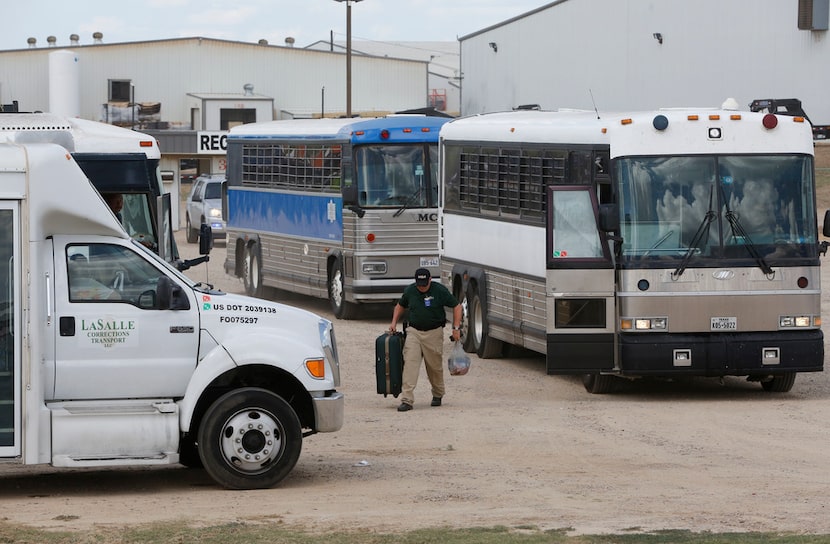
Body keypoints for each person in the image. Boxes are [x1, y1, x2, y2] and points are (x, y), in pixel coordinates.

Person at [389, 268, 462, 412]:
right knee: (410, 364)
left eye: (424, 284)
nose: (422, 287)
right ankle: (407, 399)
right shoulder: (410, 290)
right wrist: (393, 322)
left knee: (434, 367)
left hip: (434, 332)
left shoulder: (439, 291)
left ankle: (438, 393)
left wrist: (456, 327)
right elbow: (400, 305)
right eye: (419, 284)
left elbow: (457, 306)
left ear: (430, 280)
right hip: (414, 332)